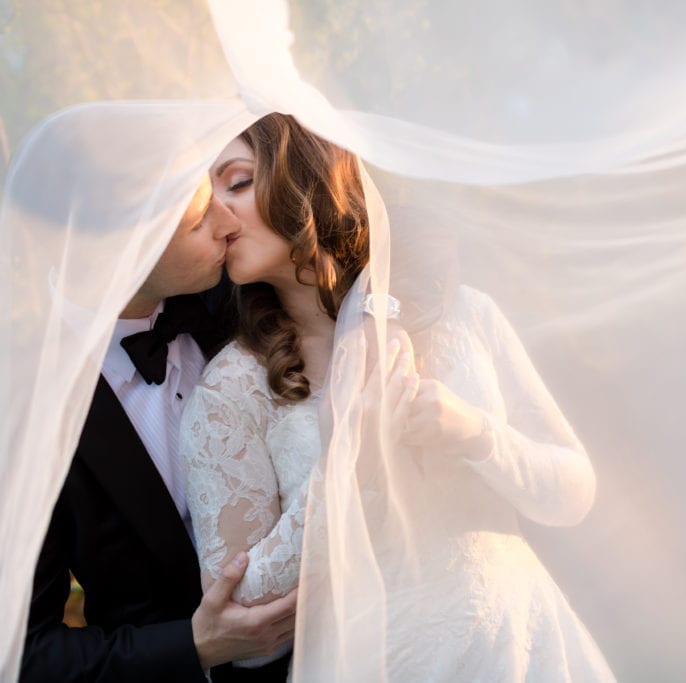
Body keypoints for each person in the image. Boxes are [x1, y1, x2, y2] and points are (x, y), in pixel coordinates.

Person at [181, 113, 614, 680]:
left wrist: (473, 433)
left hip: (522, 651)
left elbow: (573, 494)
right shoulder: (231, 387)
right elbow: (243, 629)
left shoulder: (463, 312)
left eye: (235, 182)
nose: (216, 211)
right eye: (204, 193)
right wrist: (347, 467)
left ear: (305, 177)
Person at [21, 176, 297, 683]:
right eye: (198, 221)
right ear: (118, 252)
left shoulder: (244, 297)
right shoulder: (21, 407)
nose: (229, 223)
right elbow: (28, 653)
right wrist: (194, 647)